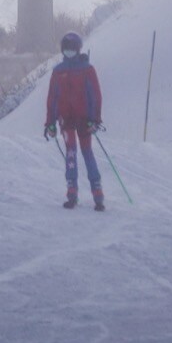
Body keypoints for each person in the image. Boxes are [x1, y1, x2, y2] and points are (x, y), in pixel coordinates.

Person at [44, 33, 105, 211]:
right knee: (71, 153)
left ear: (78, 49)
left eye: (72, 48)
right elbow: (52, 98)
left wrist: (95, 119)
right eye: (66, 48)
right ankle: (72, 192)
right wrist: (50, 122)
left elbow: (95, 96)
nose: (69, 51)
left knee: (87, 153)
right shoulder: (58, 71)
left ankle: (97, 192)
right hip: (66, 120)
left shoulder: (87, 69)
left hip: (85, 120)